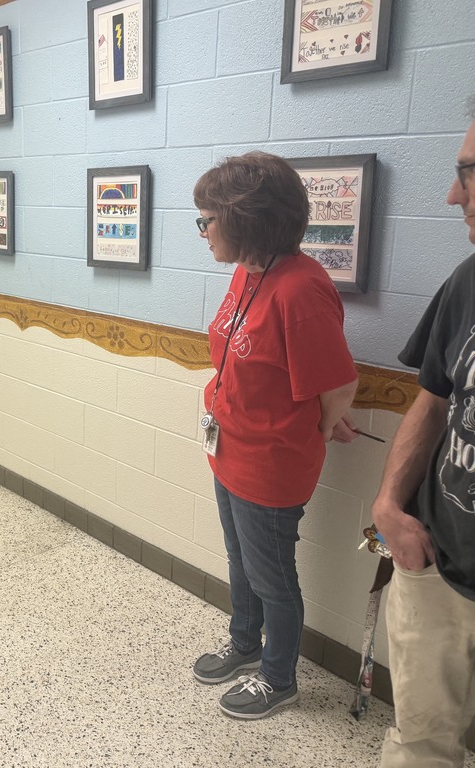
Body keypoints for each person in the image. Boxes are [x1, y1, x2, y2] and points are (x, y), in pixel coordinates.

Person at [190, 151, 359, 719]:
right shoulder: (248, 269)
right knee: (240, 560)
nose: (203, 230)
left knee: (273, 577)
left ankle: (278, 677)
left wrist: (321, 425)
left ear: (245, 220)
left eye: (208, 219)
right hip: (229, 446)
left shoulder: (300, 289)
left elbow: (339, 384)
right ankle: (244, 642)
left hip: (270, 464)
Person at [373, 107, 475, 767]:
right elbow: (433, 401)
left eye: (469, 173)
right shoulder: (468, 280)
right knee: (421, 743)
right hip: (437, 560)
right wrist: (389, 505)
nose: (452, 196)